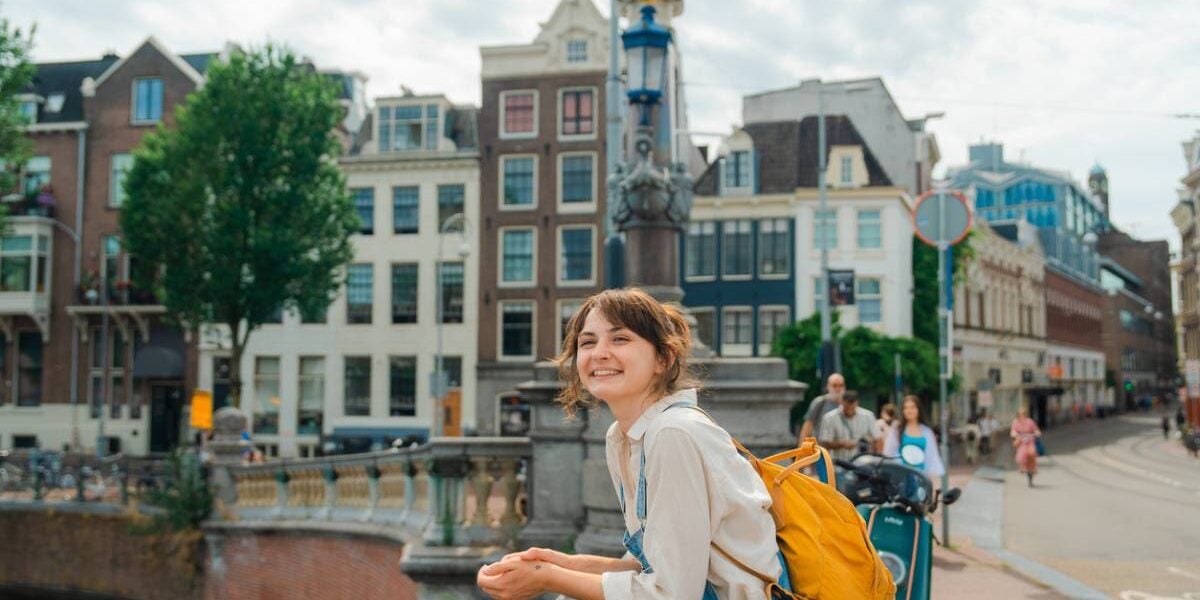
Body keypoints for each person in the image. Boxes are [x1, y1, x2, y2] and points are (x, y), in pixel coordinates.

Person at [477, 288, 784, 599]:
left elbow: (673, 594)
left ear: (663, 359)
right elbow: (653, 566)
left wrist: (548, 578)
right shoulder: (624, 437)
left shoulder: (672, 434)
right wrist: (567, 564)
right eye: (587, 342)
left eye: (620, 339)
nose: (600, 352)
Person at [883, 396, 945, 478]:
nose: (909, 411)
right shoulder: (897, 430)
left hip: (921, 478)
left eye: (912, 407)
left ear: (918, 410)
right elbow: (889, 454)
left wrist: (932, 482)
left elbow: (932, 458)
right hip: (900, 479)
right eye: (906, 408)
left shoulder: (927, 432)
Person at [818, 390, 879, 462]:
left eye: (852, 406)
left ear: (857, 403)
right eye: (847, 406)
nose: (850, 409)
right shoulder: (829, 418)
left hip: (862, 464)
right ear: (842, 402)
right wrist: (841, 444)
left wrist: (876, 459)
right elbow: (823, 444)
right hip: (838, 463)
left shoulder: (867, 416)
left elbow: (878, 438)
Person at [798, 373, 846, 444]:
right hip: (822, 448)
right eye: (834, 386)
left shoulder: (849, 404)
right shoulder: (820, 402)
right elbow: (807, 427)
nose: (838, 389)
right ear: (828, 386)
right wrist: (802, 450)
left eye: (841, 385)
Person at [1011, 407, 1042, 487]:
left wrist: (1037, 433)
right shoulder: (1015, 422)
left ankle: (1031, 472)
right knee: (1022, 454)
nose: (1022, 416)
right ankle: (1022, 467)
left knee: (1032, 453)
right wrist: (1016, 435)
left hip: (1030, 441)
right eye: (1021, 414)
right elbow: (1013, 431)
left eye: (1024, 414)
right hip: (1021, 442)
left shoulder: (1030, 421)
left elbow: (1036, 430)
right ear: (1018, 415)